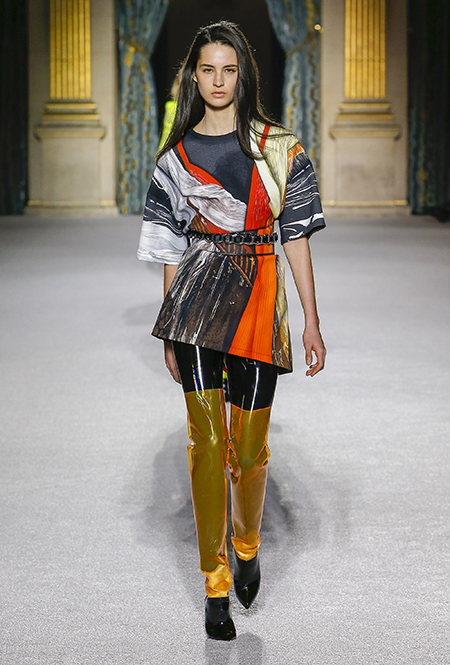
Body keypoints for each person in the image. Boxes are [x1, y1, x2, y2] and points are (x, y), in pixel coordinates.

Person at [137, 21, 326, 641]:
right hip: (195, 301)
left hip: (260, 299)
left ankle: (247, 544)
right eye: (207, 69)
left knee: (247, 449)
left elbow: (295, 236)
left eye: (229, 69)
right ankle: (214, 581)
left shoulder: (281, 147)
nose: (218, 81)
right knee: (207, 442)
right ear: (193, 76)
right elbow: (170, 247)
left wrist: (311, 319)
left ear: (243, 75)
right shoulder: (175, 159)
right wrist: (170, 325)